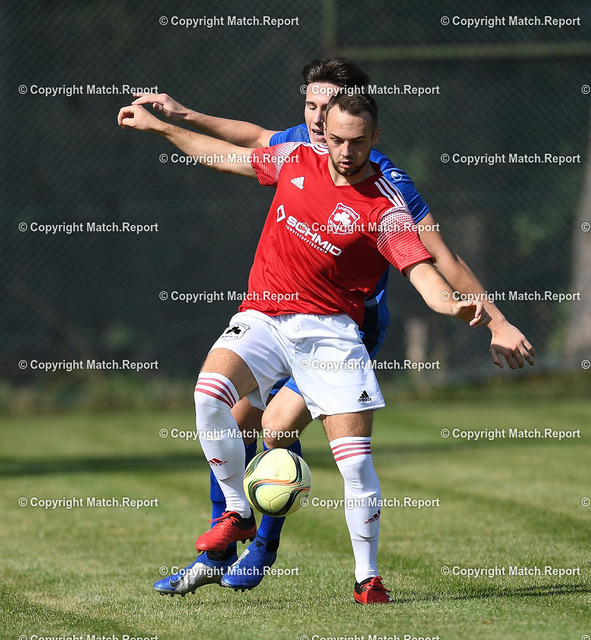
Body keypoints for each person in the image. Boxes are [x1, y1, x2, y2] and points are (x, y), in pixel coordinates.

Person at [132, 58, 536, 595]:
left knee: (278, 429)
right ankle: (227, 533)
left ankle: (281, 553)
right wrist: (174, 120)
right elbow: (245, 144)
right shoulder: (302, 149)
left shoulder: (387, 191)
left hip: (343, 327)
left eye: (328, 110)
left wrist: (483, 315)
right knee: (229, 411)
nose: (318, 122)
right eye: (311, 106)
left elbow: (436, 260)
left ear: (363, 121)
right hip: (270, 319)